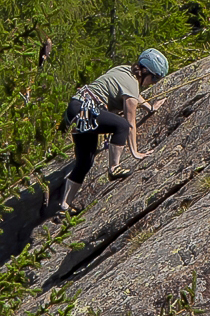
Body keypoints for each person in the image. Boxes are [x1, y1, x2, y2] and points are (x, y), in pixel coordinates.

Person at [54, 48, 169, 213]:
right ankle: (114, 168)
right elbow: (130, 121)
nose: (154, 82)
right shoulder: (131, 85)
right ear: (144, 71)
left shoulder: (124, 70)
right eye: (155, 78)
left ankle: (64, 206)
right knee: (121, 125)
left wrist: (149, 107)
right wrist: (135, 152)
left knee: (85, 161)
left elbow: (133, 95)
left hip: (78, 108)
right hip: (86, 110)